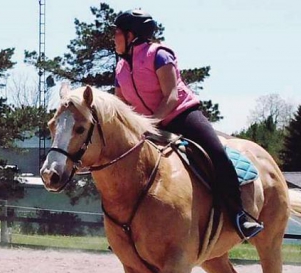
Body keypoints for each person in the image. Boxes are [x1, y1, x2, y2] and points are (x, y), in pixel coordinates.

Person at [112, 9, 263, 240]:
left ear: (131, 35)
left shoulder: (159, 55)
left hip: (181, 116)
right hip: (146, 128)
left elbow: (171, 96)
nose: (114, 38)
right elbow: (120, 104)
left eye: (117, 33)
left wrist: (150, 123)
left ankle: (239, 216)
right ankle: (124, 233)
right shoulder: (120, 68)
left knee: (217, 154)